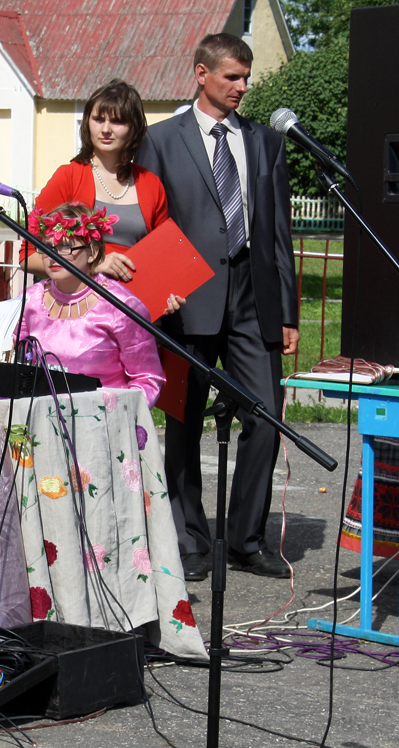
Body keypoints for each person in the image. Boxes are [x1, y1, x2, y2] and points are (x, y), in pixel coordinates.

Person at [135, 33, 299, 581]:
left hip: (254, 299)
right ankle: (189, 539)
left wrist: (288, 312)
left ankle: (247, 539)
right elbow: (151, 225)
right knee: (184, 423)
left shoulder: (265, 143)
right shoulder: (161, 140)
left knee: (266, 416)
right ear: (201, 74)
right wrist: (157, 298)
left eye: (246, 77)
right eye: (232, 76)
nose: (242, 86)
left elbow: (279, 232)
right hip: (187, 300)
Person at [20, 79, 180, 314]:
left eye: (117, 121)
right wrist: (92, 265)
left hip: (136, 311)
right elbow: (27, 256)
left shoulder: (151, 184)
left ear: (134, 127)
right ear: (87, 123)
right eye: (98, 119)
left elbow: (164, 258)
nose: (106, 129)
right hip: (78, 313)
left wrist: (167, 294)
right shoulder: (68, 177)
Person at [17, 202, 165, 408]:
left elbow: (147, 378)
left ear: (93, 252)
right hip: (40, 415)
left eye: (65, 247)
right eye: (47, 247)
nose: (52, 255)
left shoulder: (121, 306)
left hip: (104, 418)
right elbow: (15, 362)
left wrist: (117, 415)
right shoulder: (29, 300)